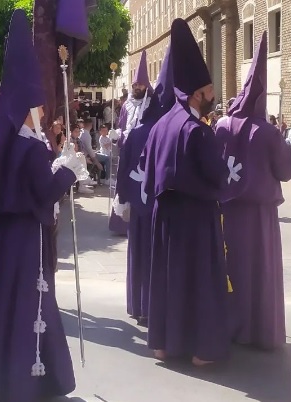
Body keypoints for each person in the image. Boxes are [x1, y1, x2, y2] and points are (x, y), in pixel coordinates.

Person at [0, 10, 79, 402]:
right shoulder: (30, 147)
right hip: (26, 242)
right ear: (28, 109)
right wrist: (69, 171)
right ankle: (30, 380)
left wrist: (55, 165)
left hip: (2, 241)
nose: (42, 113)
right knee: (26, 307)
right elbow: (42, 192)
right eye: (38, 107)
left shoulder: (3, 147)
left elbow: (18, 185)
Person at [140, 18, 231, 366]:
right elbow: (218, 176)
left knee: (169, 280)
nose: (213, 97)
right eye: (210, 90)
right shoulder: (198, 130)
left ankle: (164, 344)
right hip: (196, 219)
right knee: (198, 282)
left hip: (164, 219)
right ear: (197, 92)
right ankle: (201, 350)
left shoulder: (161, 124)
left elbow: (148, 173)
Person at [215, 31, 291, 350]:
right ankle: (258, 331)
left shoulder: (221, 125)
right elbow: (286, 171)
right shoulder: (268, 133)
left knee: (231, 269)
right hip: (260, 218)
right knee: (259, 274)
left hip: (227, 213)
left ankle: (230, 327)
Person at [113, 41, 175, 327]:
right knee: (155, 255)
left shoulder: (139, 133)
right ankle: (153, 305)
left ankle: (138, 304)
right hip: (158, 206)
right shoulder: (166, 133)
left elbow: (125, 167)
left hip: (138, 203)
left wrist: (122, 197)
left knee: (138, 252)